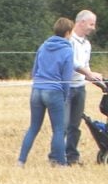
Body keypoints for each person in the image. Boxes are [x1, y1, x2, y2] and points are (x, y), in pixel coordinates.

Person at [18, 17, 75, 167]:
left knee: (33, 127)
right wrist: (64, 96)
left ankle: (21, 160)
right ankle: (61, 163)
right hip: (54, 91)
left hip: (37, 90)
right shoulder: (67, 50)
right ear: (68, 33)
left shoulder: (43, 46)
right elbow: (66, 78)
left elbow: (35, 69)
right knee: (58, 129)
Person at [65, 10, 103, 165]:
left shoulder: (87, 44)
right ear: (81, 22)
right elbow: (72, 64)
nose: (93, 28)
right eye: (91, 24)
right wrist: (88, 72)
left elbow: (85, 66)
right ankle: (57, 156)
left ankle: (72, 156)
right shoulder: (68, 41)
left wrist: (97, 79)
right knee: (63, 124)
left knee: (75, 125)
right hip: (66, 87)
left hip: (80, 88)